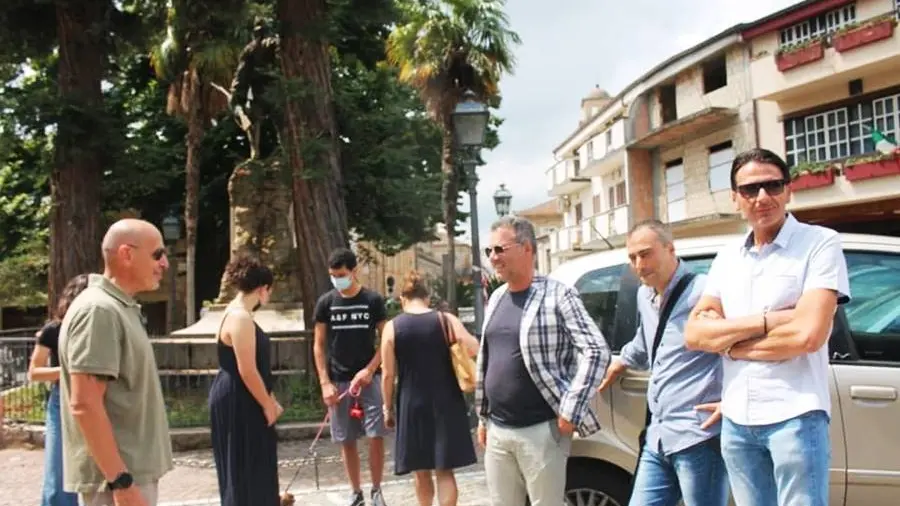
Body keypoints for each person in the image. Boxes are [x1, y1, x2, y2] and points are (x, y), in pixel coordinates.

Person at [685, 148, 850, 506]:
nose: (762, 197)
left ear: (788, 190)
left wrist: (729, 344)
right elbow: (694, 334)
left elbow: (808, 335)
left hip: (796, 415)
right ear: (734, 198)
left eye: (772, 185)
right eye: (749, 189)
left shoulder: (820, 243)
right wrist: (769, 321)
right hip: (736, 418)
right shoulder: (727, 257)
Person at [476, 216, 610, 506]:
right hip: (498, 429)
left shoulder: (558, 295)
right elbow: (488, 360)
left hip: (541, 430)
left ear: (527, 248)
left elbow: (597, 350)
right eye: (489, 251)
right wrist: (483, 418)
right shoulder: (497, 297)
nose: (493, 257)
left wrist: (570, 411)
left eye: (499, 249)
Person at [598, 220, 727, 506]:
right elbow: (646, 340)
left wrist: (731, 399)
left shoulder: (704, 293)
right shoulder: (645, 295)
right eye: (633, 257)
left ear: (670, 249)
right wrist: (621, 362)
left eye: (645, 254)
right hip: (658, 434)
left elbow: (737, 347)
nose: (639, 265)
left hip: (698, 435)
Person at [58, 218, 174, 506]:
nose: (165, 264)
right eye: (158, 254)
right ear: (126, 254)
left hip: (127, 474)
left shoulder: (118, 307)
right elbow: (85, 403)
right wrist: (121, 482)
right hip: (116, 481)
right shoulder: (100, 310)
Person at [380, 270, 480, 506]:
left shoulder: (392, 327)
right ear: (427, 298)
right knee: (445, 470)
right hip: (446, 401)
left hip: (411, 403)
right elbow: (474, 347)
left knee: (420, 470)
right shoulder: (446, 320)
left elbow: (388, 374)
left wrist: (387, 408)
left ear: (403, 299)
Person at [313, 247, 389, 506]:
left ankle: (376, 490)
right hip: (339, 380)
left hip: (370, 379)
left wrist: (370, 369)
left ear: (354, 271)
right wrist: (325, 382)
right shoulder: (326, 303)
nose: (337, 280)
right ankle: (356, 492)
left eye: (342, 275)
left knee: (376, 435)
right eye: (333, 275)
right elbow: (318, 344)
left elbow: (387, 339)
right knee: (346, 439)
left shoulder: (373, 300)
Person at [209, 254, 283, 506]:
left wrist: (270, 397)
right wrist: (267, 404)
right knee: (247, 469)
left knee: (250, 467)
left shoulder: (235, 313)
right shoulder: (240, 317)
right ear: (263, 289)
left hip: (240, 393)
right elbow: (248, 370)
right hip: (240, 397)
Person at [29, 274, 90, 506]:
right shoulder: (53, 330)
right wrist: (69, 371)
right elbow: (34, 372)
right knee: (59, 474)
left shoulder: (100, 328)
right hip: (62, 400)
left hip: (98, 397)